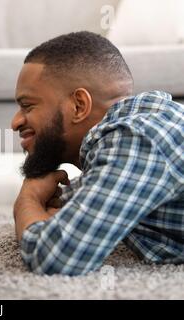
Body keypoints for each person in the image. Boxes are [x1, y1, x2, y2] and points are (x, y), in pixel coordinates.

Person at [11, 31, 184, 275]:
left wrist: (27, 201)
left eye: (27, 106)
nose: (15, 122)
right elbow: (62, 219)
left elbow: (58, 257)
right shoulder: (135, 137)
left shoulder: (137, 142)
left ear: (79, 106)